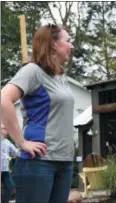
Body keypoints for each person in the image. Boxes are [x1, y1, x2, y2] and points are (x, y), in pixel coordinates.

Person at [1, 24, 74, 203]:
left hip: (64, 161)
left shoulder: (61, 78)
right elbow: (4, 99)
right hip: (39, 162)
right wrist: (21, 142)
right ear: (54, 44)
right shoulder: (33, 71)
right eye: (68, 41)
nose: (71, 46)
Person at [1, 124, 19, 203]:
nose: (5, 131)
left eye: (6, 129)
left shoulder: (7, 142)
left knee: (10, 186)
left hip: (5, 170)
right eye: (3, 129)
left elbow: (16, 152)